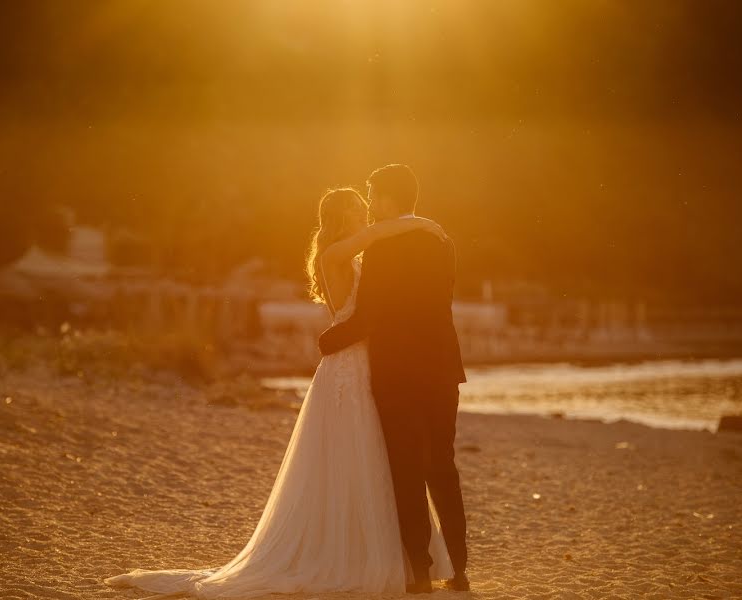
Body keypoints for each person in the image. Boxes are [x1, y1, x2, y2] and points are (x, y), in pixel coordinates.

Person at [104, 186, 454, 598]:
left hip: (366, 362)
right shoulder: (334, 256)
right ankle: (357, 557)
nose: (366, 215)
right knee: (353, 455)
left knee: (378, 456)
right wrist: (418, 223)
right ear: (341, 217)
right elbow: (373, 244)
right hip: (348, 367)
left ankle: (396, 555)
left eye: (366, 208)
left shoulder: (353, 255)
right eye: (358, 209)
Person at [319, 165, 470, 593]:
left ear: (388, 198)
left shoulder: (383, 250)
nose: (370, 205)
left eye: (373, 195)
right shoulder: (444, 242)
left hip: (397, 372)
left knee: (405, 468)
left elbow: (369, 316)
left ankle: (420, 573)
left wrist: (330, 341)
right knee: (442, 464)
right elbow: (443, 299)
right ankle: (459, 570)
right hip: (442, 367)